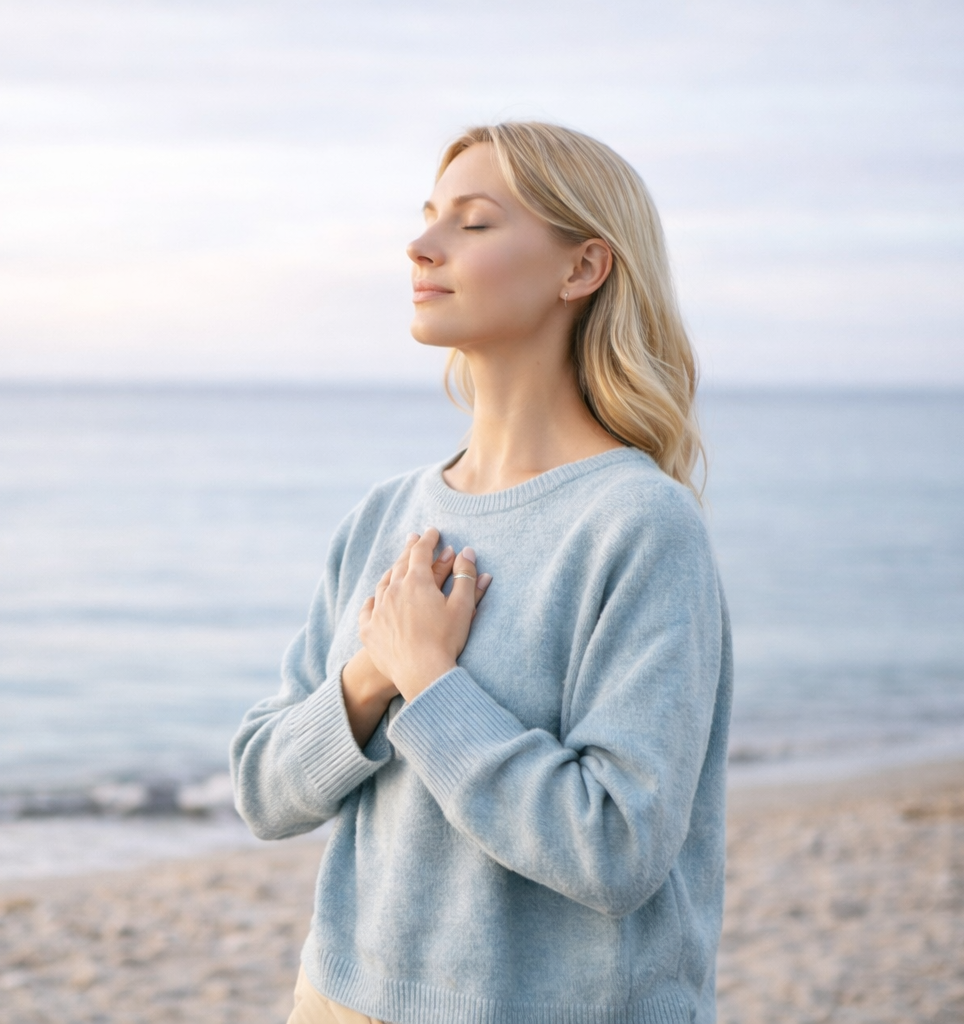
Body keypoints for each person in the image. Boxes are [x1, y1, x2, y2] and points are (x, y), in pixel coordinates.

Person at [229, 122, 733, 1024]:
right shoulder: (385, 515)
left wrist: (429, 682)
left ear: (582, 269)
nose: (420, 247)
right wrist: (370, 676)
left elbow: (617, 848)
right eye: (428, 219)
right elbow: (263, 790)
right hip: (338, 1002)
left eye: (473, 224)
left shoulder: (639, 526)